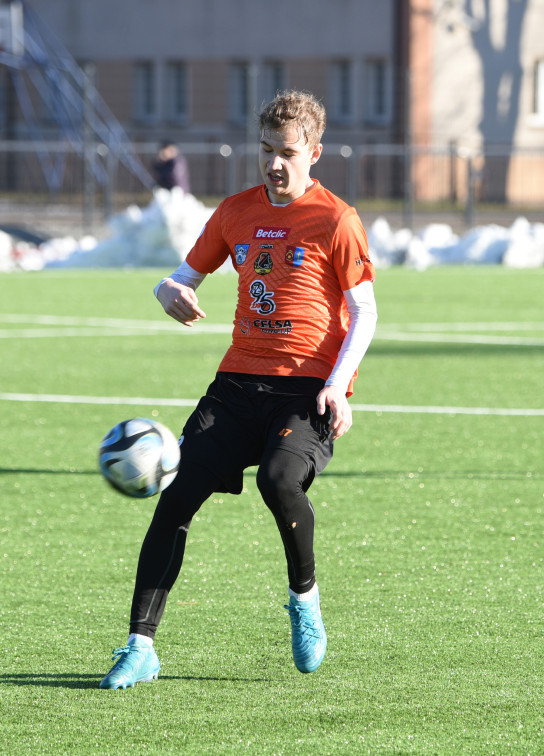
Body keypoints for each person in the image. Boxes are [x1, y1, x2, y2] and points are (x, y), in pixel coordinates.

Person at [100, 90, 378, 689]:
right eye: (266, 151)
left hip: (305, 389)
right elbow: (181, 275)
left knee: (278, 480)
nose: (275, 164)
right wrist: (167, 291)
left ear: (314, 154)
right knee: (175, 497)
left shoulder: (336, 219)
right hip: (235, 384)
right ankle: (139, 646)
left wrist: (338, 387)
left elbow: (365, 311)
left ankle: (304, 601)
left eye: (288, 153)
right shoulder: (235, 212)